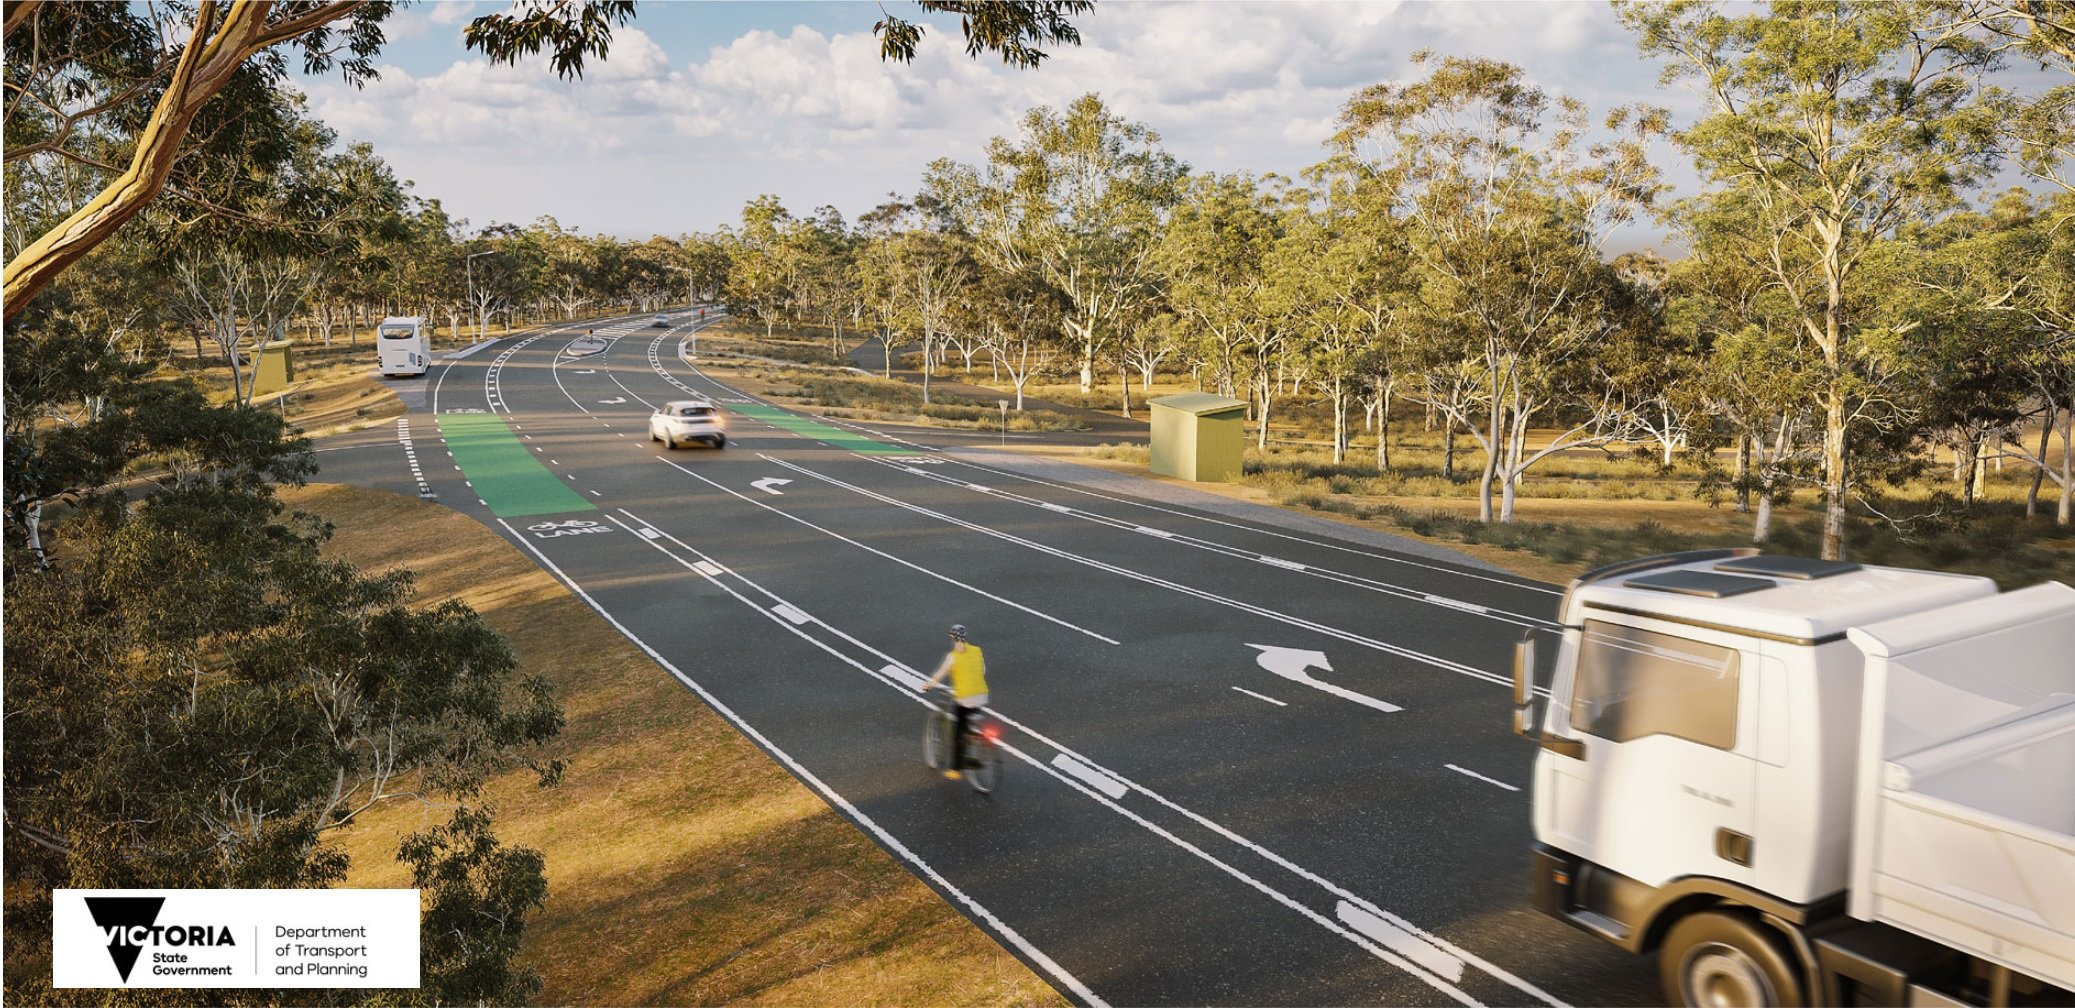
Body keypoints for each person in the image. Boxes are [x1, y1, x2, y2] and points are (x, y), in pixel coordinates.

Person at [918, 624, 988, 780]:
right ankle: (975, 739)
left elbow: (941, 673)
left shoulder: (953, 657)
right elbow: (982, 670)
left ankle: (955, 769)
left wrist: (929, 685)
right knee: (969, 722)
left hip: (965, 698)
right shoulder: (977, 651)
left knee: (958, 734)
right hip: (982, 695)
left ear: (952, 638)